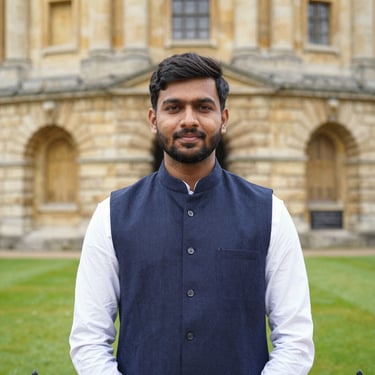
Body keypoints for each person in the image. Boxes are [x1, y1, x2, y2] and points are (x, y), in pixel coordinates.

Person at [69, 52, 314, 375]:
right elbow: (89, 337)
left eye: (203, 106)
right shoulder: (110, 216)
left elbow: (294, 338)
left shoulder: (270, 212)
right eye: (173, 107)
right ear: (153, 119)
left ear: (223, 118)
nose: (189, 120)